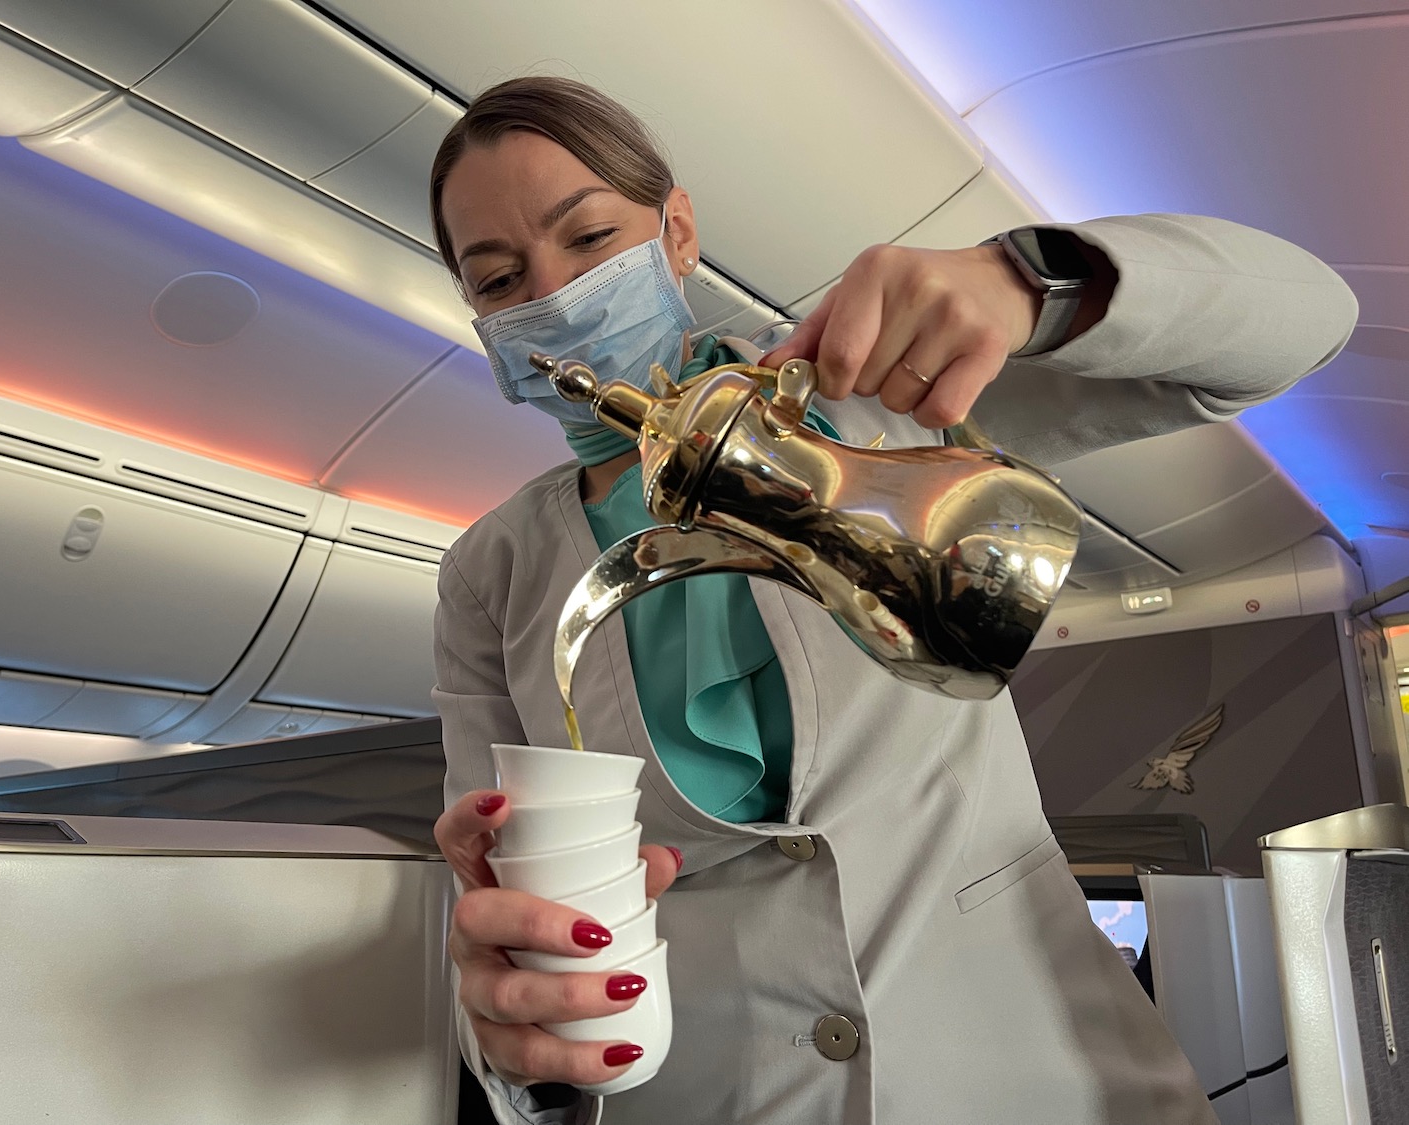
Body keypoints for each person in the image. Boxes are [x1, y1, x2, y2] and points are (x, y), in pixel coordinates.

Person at [429, 76, 1357, 1125]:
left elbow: (1304, 319)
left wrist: (1029, 283)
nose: (552, 295)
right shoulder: (490, 573)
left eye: (589, 238)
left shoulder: (873, 397)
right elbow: (506, 918)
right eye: (501, 278)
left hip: (1044, 1074)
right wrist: (518, 1038)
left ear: (677, 232)